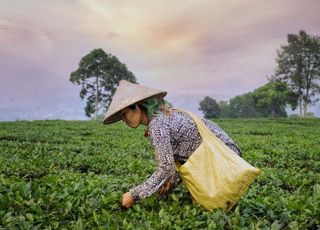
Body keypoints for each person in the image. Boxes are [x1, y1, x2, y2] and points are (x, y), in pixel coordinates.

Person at [103, 80, 242, 209]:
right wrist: (171, 179)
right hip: (225, 154)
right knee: (201, 202)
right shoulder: (166, 114)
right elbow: (188, 153)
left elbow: (166, 168)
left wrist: (134, 195)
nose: (123, 120)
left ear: (137, 107)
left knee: (210, 207)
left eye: (124, 114)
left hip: (222, 159)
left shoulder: (157, 125)